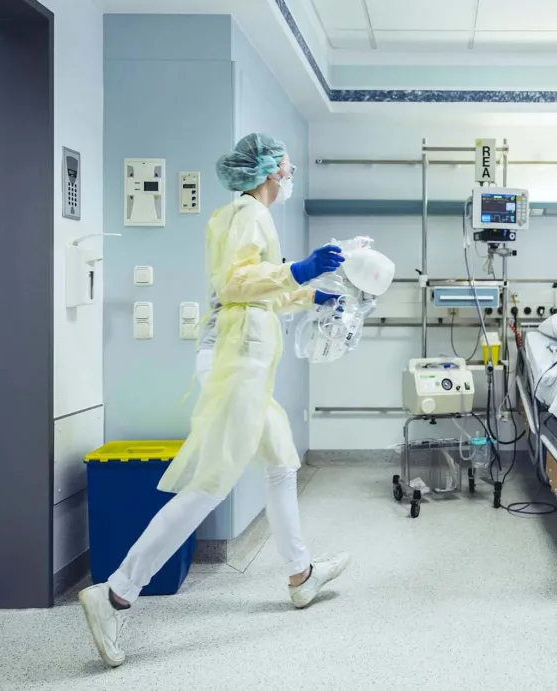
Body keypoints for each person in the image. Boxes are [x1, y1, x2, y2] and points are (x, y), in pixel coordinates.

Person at [79, 134, 349, 668]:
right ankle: (115, 594)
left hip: (241, 365)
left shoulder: (241, 215)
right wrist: (299, 271)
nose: (290, 176)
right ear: (271, 172)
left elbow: (254, 289)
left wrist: (309, 293)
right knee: (209, 487)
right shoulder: (250, 213)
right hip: (235, 367)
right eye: (288, 168)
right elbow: (236, 282)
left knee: (280, 463)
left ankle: (300, 575)